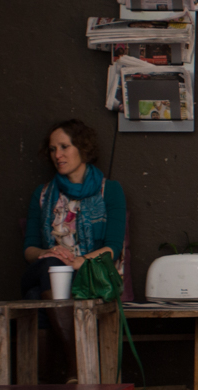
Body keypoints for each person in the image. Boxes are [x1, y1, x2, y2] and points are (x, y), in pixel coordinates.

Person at [21, 119, 126, 296]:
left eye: (64, 147)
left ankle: (62, 323)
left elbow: (113, 248)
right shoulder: (42, 194)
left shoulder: (109, 191)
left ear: (82, 149)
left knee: (35, 296)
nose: (57, 155)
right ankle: (69, 323)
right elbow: (29, 250)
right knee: (50, 266)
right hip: (51, 272)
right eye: (53, 149)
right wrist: (49, 252)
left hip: (91, 272)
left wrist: (78, 261)